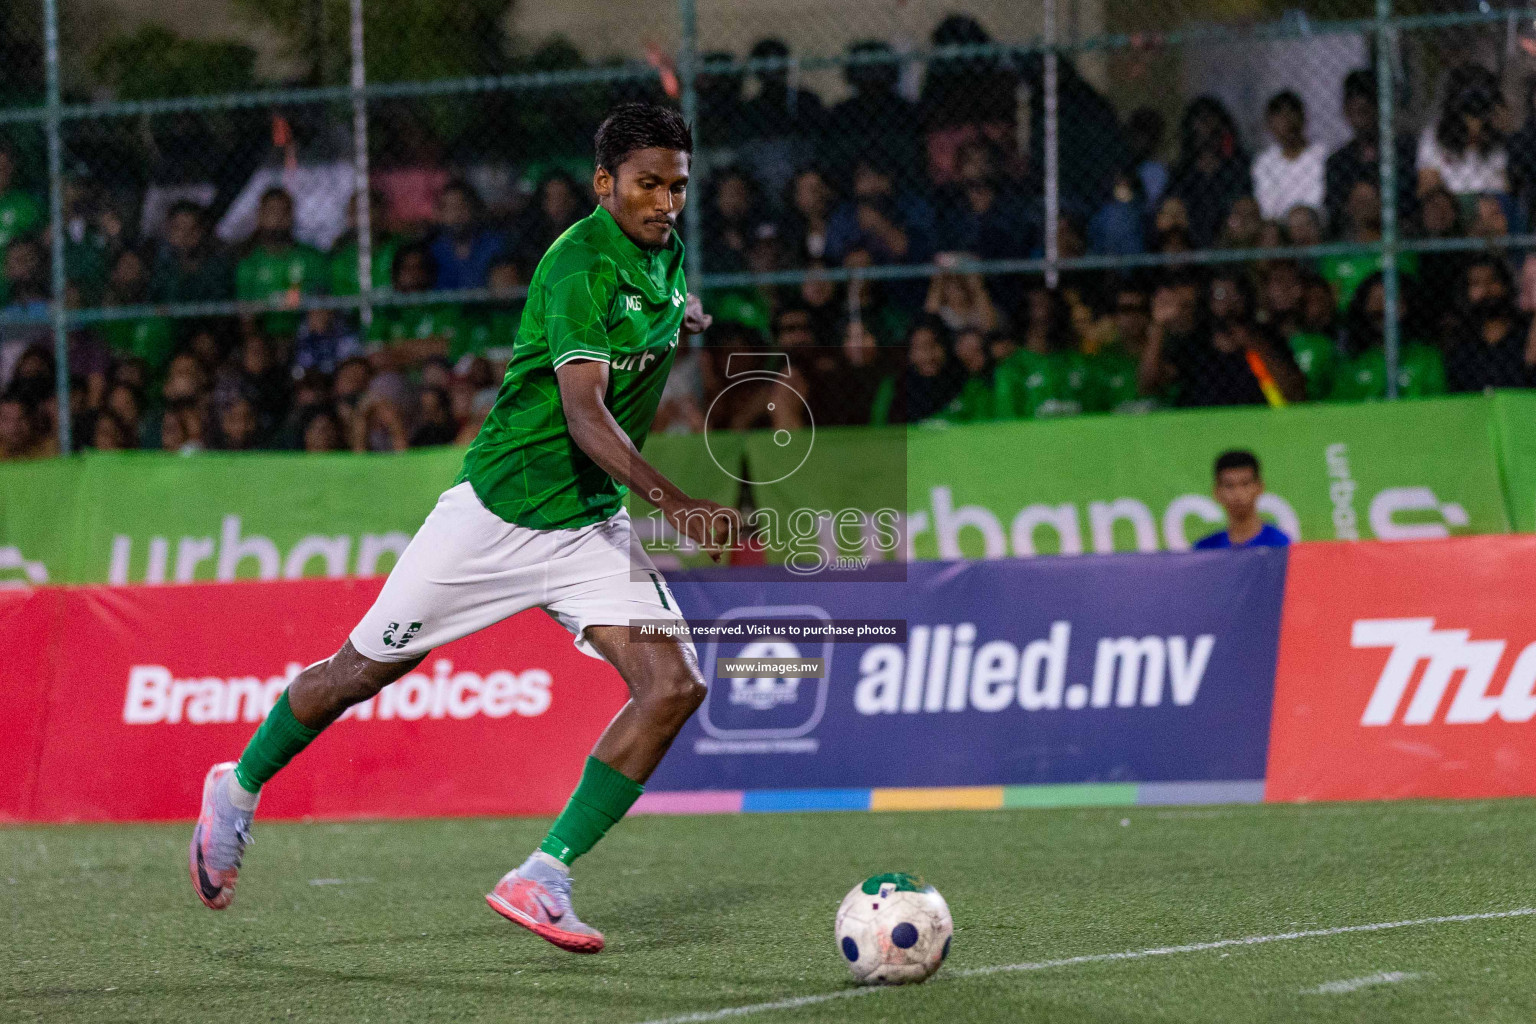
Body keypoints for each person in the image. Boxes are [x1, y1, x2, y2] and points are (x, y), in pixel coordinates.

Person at [188, 104, 739, 956]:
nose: (666, 201)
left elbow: (655, 301)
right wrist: (682, 505)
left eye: (678, 185)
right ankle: (238, 786)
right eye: (647, 185)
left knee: (674, 685)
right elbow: (587, 417)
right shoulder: (576, 266)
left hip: (588, 530)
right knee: (356, 673)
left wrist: (684, 311)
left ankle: (544, 874)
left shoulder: (661, 255)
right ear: (604, 184)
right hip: (496, 518)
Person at [1252, 91, 1327, 222]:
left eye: (1291, 112)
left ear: (1303, 118)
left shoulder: (1321, 155)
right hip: (1279, 228)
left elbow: (1320, 203)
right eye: (1279, 115)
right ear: (1269, 124)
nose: (1287, 120)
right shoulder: (1264, 163)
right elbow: (1267, 209)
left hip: (1313, 224)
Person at [1193, 450, 1291, 549]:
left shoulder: (1280, 545)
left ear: (1260, 487)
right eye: (1229, 485)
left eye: (1245, 484)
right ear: (1217, 492)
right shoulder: (1204, 549)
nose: (1238, 493)